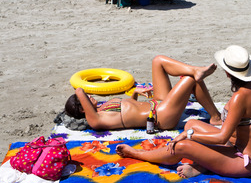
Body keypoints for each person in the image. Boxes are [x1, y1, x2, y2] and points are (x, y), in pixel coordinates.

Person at [117, 45, 251, 179]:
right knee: (191, 123)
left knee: (182, 145)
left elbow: (221, 138)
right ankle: (204, 165)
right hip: (234, 146)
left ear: (227, 72)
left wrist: (188, 135)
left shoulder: (240, 97)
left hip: (244, 162)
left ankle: (137, 154)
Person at [65, 55, 221, 131]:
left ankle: (195, 69)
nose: (89, 96)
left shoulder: (103, 108)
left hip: (157, 102)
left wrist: (136, 93)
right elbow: (79, 89)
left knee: (157, 61)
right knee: (189, 80)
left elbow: (128, 111)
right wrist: (80, 91)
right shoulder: (96, 120)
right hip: (161, 115)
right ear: (82, 109)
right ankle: (215, 117)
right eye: (86, 99)